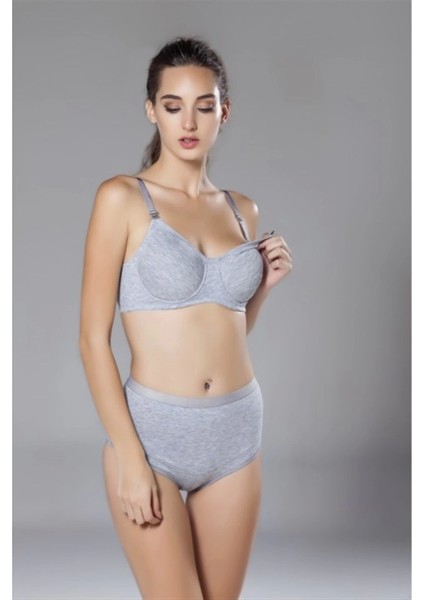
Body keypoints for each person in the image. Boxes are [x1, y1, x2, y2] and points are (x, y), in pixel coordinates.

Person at [79, 35, 292, 599]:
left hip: (236, 431)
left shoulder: (242, 210)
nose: (189, 122)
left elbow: (224, 330)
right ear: (152, 110)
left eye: (204, 105)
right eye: (173, 106)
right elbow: (92, 340)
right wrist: (129, 456)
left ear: (225, 111)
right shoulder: (122, 199)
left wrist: (262, 289)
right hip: (154, 437)